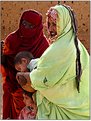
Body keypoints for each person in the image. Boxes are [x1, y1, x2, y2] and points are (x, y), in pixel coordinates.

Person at [16, 4, 89, 120]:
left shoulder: (60, 48)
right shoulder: (78, 46)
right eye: (49, 24)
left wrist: (23, 75)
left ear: (65, 25)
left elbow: (40, 79)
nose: (50, 29)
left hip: (63, 113)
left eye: (55, 25)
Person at [1, 9, 49, 119]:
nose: (26, 28)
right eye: (24, 23)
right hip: (13, 88)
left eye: (30, 26)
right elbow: (5, 64)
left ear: (37, 27)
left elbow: (44, 70)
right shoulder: (12, 39)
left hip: (33, 92)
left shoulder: (43, 45)